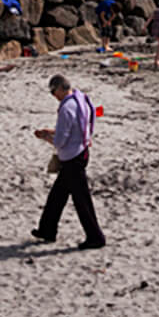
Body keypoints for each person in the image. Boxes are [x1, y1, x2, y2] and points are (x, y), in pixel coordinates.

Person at [31, 74, 106, 250]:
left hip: (73, 157)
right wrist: (51, 132)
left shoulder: (66, 108)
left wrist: (46, 137)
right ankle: (47, 229)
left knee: (82, 200)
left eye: (53, 92)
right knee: (57, 195)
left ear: (59, 89)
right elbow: (80, 125)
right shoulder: (82, 98)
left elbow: (60, 141)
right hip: (82, 150)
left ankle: (96, 237)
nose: (53, 96)